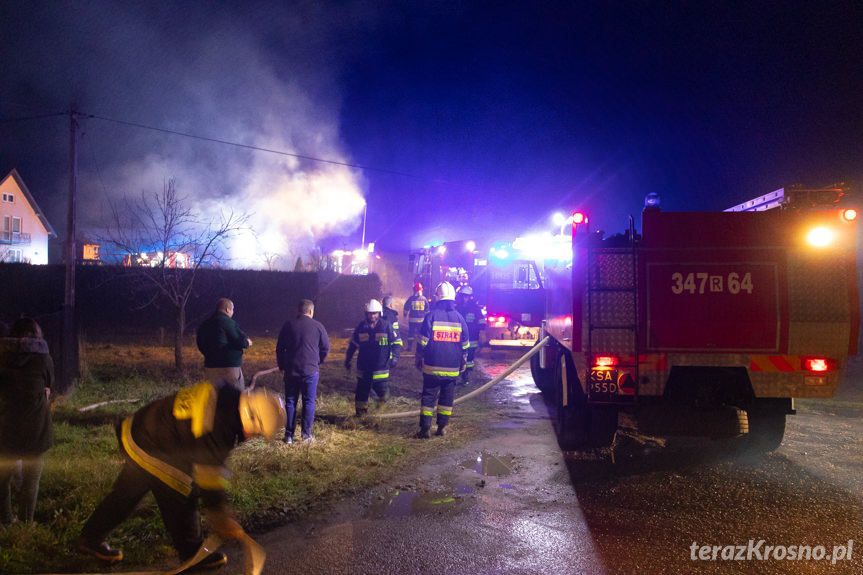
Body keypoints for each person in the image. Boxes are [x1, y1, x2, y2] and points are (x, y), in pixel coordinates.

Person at [75, 383, 286, 571]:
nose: (253, 439)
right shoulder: (221, 426)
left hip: (139, 429)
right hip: (154, 444)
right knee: (181, 488)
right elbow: (209, 478)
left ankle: (89, 538)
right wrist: (220, 517)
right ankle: (192, 553)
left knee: (126, 494)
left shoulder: (229, 396)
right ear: (252, 419)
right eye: (257, 434)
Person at [0, 318, 54, 525]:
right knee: (31, 480)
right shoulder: (44, 359)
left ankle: (5, 522)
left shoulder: (1, 357)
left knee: (2, 481)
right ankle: (26, 524)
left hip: (5, 429)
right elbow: (50, 384)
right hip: (36, 429)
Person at [414, 282, 469, 438]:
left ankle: (425, 429)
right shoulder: (459, 319)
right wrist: (463, 361)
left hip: (431, 366)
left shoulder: (430, 316)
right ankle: (442, 428)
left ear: (437, 298)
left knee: (429, 397)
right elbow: (465, 345)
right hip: (452, 368)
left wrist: (418, 357)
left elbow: (423, 341)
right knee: (446, 398)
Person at [276, 299, 330, 445]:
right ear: (311, 311)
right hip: (310, 371)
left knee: (291, 402)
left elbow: (280, 347)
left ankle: (289, 436)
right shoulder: (318, 326)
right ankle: (306, 435)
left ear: (299, 310)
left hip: (291, 370)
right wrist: (318, 361)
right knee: (308, 402)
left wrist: (282, 365)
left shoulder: (288, 325)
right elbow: (326, 348)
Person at [344, 299, 401, 416]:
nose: (372, 315)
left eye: (375, 313)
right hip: (364, 367)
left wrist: (394, 357)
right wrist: (348, 359)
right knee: (361, 394)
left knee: (383, 393)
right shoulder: (361, 327)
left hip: (381, 368)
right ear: (366, 314)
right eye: (370, 313)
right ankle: (360, 415)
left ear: (379, 313)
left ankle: (380, 405)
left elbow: (397, 342)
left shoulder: (386, 326)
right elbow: (353, 344)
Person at [196, 298, 252, 390]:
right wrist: (247, 342)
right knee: (233, 398)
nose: (232, 312)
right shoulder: (228, 323)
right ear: (227, 309)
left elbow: (200, 343)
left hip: (210, 367)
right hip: (229, 368)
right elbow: (240, 341)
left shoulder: (205, 324)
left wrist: (208, 355)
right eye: (232, 309)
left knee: (214, 398)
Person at [455, 285, 486, 385]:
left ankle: (466, 376)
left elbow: (481, 320)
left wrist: (482, 332)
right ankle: (459, 374)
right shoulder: (457, 308)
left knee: (470, 357)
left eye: (467, 296)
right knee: (458, 355)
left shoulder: (475, 309)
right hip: (460, 337)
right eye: (463, 296)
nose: (465, 298)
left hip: (472, 337)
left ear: (470, 297)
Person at [402, 283, 428, 352]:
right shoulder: (424, 299)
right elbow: (427, 310)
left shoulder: (411, 299)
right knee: (421, 335)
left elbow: (406, 307)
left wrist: (405, 314)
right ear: (421, 290)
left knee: (411, 334)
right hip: (421, 321)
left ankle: (409, 347)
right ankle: (421, 348)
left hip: (412, 321)